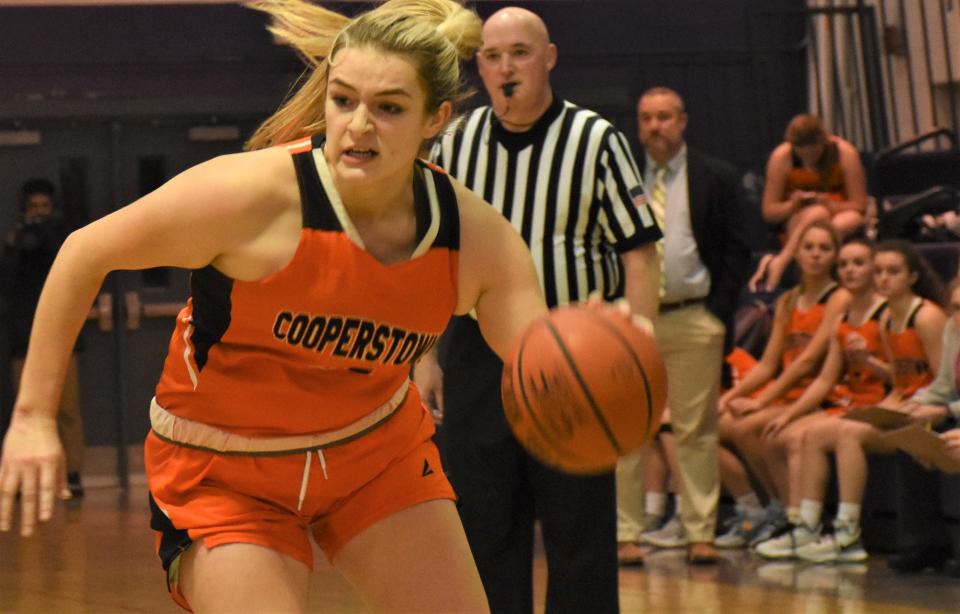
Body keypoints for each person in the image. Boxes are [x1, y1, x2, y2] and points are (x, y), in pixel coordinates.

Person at [0, 2, 636, 611]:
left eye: (388, 108)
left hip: (373, 455)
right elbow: (83, 252)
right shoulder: (252, 196)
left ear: (435, 120)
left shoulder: (476, 239)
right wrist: (32, 416)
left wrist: (599, 372)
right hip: (225, 468)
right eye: (343, 100)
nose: (358, 125)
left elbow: (541, 364)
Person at [424, 6, 661, 611]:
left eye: (520, 53)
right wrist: (425, 355)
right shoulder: (456, 142)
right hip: (479, 355)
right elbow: (431, 258)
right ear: (479, 65)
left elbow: (640, 252)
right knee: (483, 522)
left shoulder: (596, 138)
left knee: (578, 527)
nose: (507, 67)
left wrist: (640, 345)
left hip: (576, 353)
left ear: (548, 57)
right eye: (493, 56)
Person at [615, 86, 750, 565]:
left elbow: (738, 248)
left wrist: (718, 312)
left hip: (694, 316)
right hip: (633, 317)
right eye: (647, 118)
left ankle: (700, 532)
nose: (655, 126)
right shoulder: (621, 177)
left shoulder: (715, 176)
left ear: (683, 121)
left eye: (665, 117)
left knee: (695, 431)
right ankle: (626, 531)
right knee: (629, 429)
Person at [756, 240, 946, 562]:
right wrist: (877, 379)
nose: (883, 278)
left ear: (912, 276)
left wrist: (902, 404)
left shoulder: (926, 316)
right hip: (902, 404)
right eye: (881, 271)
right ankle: (807, 525)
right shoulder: (888, 319)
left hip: (931, 411)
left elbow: (944, 381)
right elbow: (898, 380)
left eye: (893, 272)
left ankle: (848, 533)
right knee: (814, 434)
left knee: (846, 433)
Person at [718, 221, 848, 541]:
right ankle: (764, 508)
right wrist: (728, 398)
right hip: (788, 393)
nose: (816, 255)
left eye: (824, 248)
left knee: (752, 426)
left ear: (834, 256)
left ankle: (792, 515)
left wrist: (760, 401)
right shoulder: (789, 300)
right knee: (710, 425)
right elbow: (767, 365)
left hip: (822, 394)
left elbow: (806, 363)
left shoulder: (838, 298)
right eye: (809, 248)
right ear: (796, 254)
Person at [1, 178, 85, 499]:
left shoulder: (63, 239)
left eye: (44, 207)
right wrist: (16, 243)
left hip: (63, 338)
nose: (39, 213)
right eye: (33, 208)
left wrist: (47, 234)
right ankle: (26, 480)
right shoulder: (16, 239)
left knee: (67, 409)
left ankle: (73, 476)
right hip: (23, 338)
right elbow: (7, 283)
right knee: (25, 410)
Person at [750, 114, 868, 293]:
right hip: (800, 218)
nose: (808, 158)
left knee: (843, 220)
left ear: (824, 142)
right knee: (817, 214)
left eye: (814, 151)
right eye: (801, 152)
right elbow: (769, 212)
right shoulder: (782, 157)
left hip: (839, 211)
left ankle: (821, 275)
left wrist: (831, 205)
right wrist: (793, 204)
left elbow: (859, 204)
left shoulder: (845, 153)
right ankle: (783, 262)